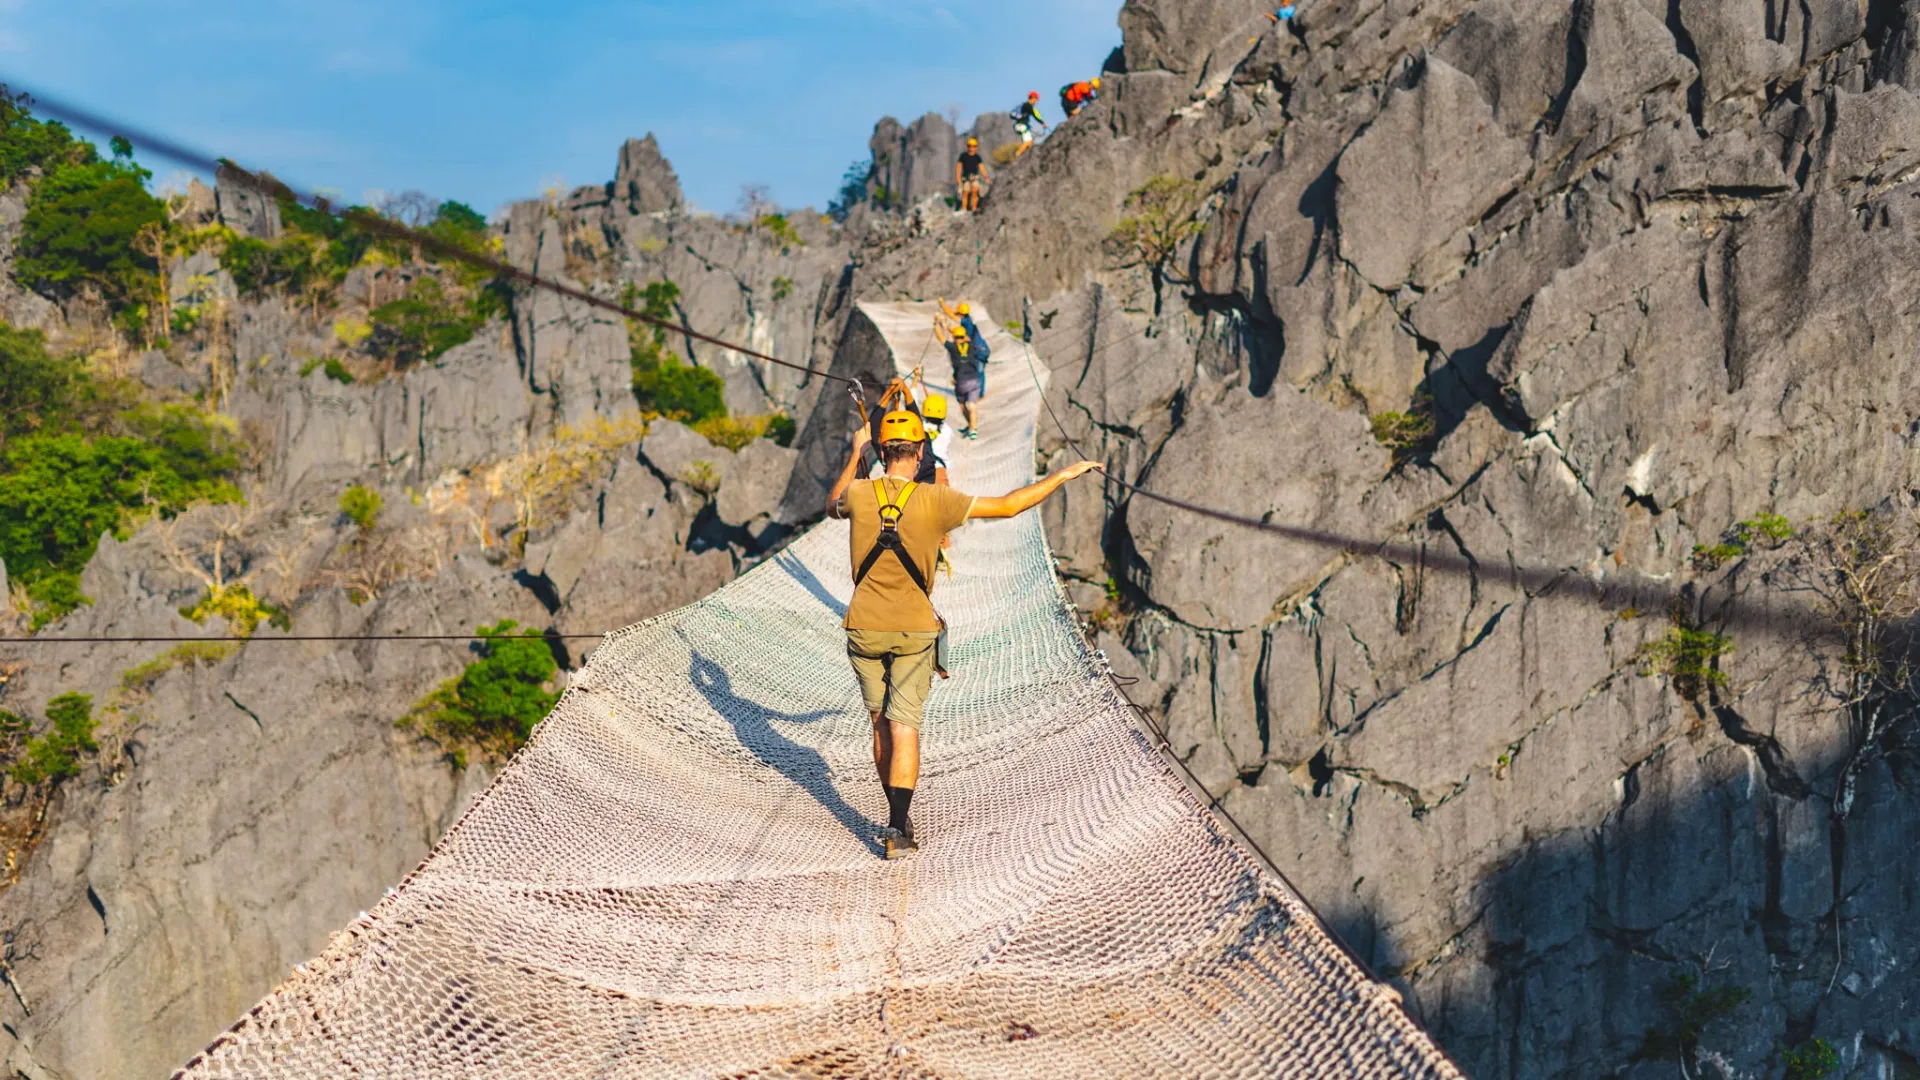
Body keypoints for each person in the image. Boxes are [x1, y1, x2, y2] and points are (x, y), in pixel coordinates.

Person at [827, 411, 1102, 858]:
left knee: (880, 724)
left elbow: (831, 502)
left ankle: (895, 813)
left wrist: (856, 454)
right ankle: (898, 828)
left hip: (863, 626)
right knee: (905, 727)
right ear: (918, 454)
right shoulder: (938, 500)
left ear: (881, 453)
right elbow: (1010, 505)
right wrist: (1065, 474)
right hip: (914, 630)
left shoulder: (860, 493)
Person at [936, 321, 985, 438]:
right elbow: (965, 338)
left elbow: (940, 337)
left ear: (954, 337)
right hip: (974, 380)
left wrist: (937, 323)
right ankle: (973, 429)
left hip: (961, 382)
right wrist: (951, 329)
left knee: (963, 405)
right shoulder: (972, 346)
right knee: (972, 405)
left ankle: (971, 426)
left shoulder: (953, 348)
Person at [955, 137, 988, 213]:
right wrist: (958, 178)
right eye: (970, 145)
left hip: (974, 178)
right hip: (965, 178)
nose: (971, 148)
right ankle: (964, 208)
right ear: (967, 146)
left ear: (976, 147)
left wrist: (986, 177)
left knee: (975, 192)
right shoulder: (963, 156)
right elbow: (959, 167)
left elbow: (981, 167)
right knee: (965, 193)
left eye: (973, 146)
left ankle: (974, 208)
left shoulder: (977, 157)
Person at [1010, 92, 1048, 157]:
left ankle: (1024, 156)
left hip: (1019, 125)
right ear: (1033, 98)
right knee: (1028, 142)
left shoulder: (1024, 105)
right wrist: (1043, 123)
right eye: (1036, 100)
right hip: (1022, 125)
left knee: (1030, 144)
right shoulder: (1028, 106)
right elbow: (1035, 115)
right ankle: (1017, 154)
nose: (1036, 102)